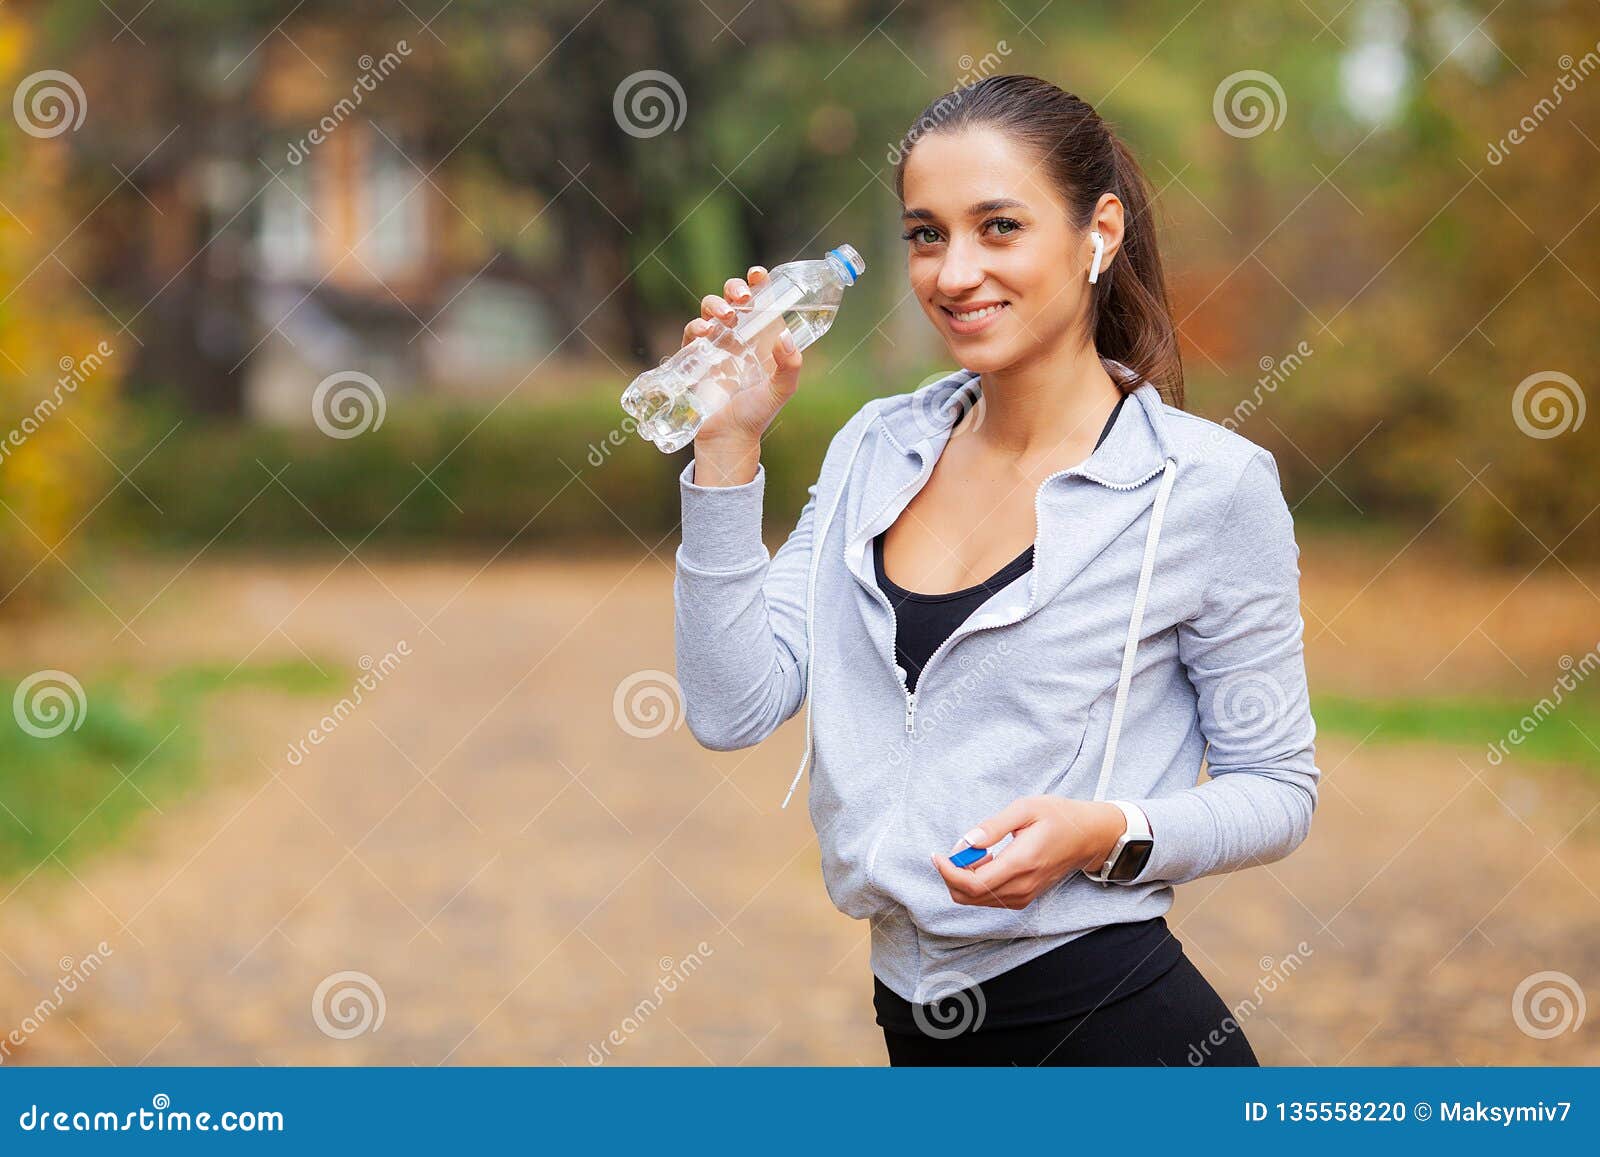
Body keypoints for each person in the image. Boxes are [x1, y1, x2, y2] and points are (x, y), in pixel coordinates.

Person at [671, 75, 1318, 1066]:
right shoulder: (870, 450)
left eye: (999, 227)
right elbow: (730, 705)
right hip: (916, 1027)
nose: (953, 271)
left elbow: (1276, 787)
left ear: (1097, 231)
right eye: (926, 233)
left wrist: (1100, 829)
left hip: (1118, 1031)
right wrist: (726, 448)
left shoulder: (1205, 487)